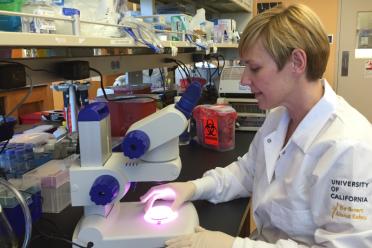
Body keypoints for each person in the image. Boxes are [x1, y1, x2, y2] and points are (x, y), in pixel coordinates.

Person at [141, 4, 372, 248]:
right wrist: (191, 188)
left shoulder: (350, 148)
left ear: (297, 61)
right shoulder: (279, 117)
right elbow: (248, 172)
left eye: (255, 68)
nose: (244, 79)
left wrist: (233, 246)